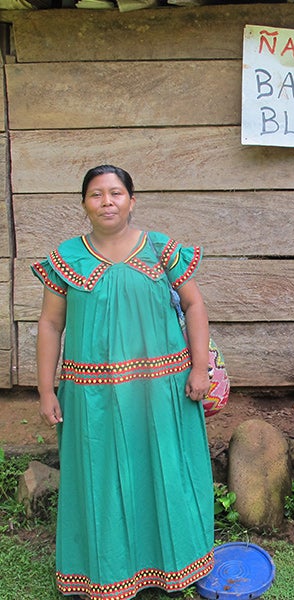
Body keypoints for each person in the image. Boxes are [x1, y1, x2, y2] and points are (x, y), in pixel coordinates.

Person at [33, 165, 215, 599]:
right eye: (96, 194)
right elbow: (49, 325)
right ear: (84, 205)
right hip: (91, 396)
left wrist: (199, 366)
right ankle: (105, 571)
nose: (107, 201)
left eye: (116, 193)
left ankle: (174, 567)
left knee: (165, 471)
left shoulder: (161, 250)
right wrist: (45, 389)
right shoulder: (66, 258)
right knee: (99, 478)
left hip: (161, 392)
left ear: (133, 201)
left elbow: (194, 307)